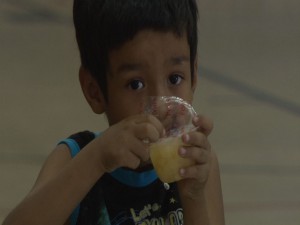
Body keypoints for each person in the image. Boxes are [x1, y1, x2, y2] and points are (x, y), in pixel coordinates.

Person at [3, 0, 225, 224]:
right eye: (135, 84)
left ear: (194, 75)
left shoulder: (198, 165)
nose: (160, 106)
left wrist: (193, 197)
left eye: (175, 78)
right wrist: (96, 160)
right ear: (95, 91)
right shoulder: (74, 158)